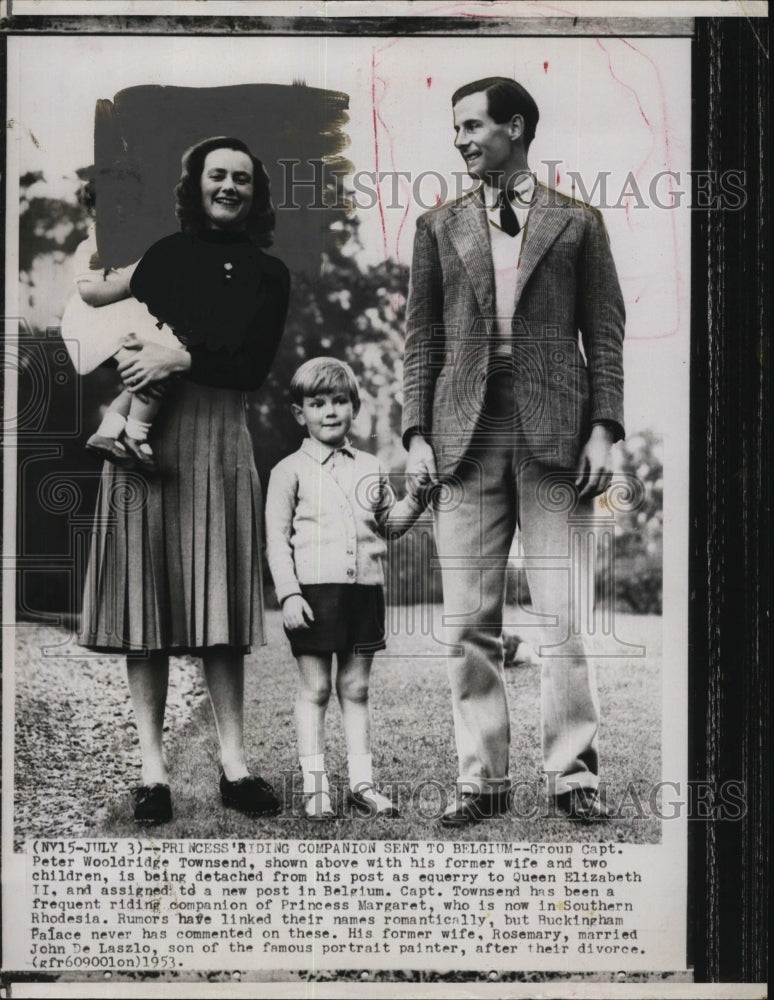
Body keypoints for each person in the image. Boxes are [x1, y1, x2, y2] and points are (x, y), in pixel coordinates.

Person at [402, 77, 625, 827]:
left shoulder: (579, 221)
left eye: (472, 126)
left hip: (558, 437)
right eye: (456, 128)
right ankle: (482, 781)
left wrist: (605, 427)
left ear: (516, 127)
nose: (460, 140)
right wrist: (416, 436)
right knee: (469, 620)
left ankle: (573, 776)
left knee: (561, 616)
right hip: (463, 439)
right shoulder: (437, 226)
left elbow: (605, 332)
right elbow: (420, 342)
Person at [79, 136, 290, 826]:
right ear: (195, 185)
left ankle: (235, 766)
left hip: (218, 440)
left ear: (255, 193)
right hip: (143, 439)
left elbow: (251, 366)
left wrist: (180, 359)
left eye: (241, 179)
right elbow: (111, 320)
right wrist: (143, 361)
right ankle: (153, 773)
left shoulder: (268, 273)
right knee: (144, 604)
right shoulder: (165, 254)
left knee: (220, 611)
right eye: (216, 175)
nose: (228, 186)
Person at [265, 358, 428, 820]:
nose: (330, 411)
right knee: (315, 689)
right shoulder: (288, 471)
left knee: (356, 688)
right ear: (300, 413)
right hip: (313, 597)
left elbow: (390, 525)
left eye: (339, 401)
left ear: (354, 408)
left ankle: (362, 785)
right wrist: (289, 594)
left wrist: (417, 498)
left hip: (363, 594)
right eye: (318, 404)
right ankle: (316, 789)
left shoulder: (372, 467)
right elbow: (276, 540)